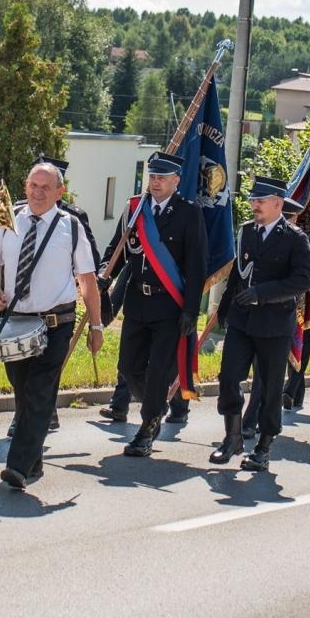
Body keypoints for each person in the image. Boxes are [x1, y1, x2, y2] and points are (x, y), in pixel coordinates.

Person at [0, 162, 102, 489]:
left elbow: (88, 281)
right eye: (33, 185)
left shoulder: (72, 227)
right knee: (23, 392)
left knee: (38, 393)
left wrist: (96, 326)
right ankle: (33, 464)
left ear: (59, 192)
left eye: (45, 187)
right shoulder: (8, 220)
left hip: (56, 322)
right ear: (25, 186)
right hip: (17, 323)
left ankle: (17, 467)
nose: (37, 192)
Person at [210, 176, 310, 470]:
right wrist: (225, 309)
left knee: (268, 389)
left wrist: (263, 294)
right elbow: (238, 274)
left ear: (278, 203)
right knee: (229, 377)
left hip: (274, 323)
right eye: (253, 200)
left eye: (261, 200)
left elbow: (302, 280)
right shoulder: (246, 231)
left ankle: (264, 446)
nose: (254, 205)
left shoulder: (295, 238)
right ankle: (232, 437)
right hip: (242, 321)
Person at [110, 151, 206, 458]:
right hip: (138, 302)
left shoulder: (189, 213)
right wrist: (103, 273)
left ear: (176, 181)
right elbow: (119, 248)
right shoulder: (136, 209)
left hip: (169, 307)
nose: (155, 183)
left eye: (162, 178)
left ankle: (148, 426)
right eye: (152, 177)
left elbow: (197, 266)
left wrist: (192, 309)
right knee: (127, 366)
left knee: (157, 372)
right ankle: (156, 405)